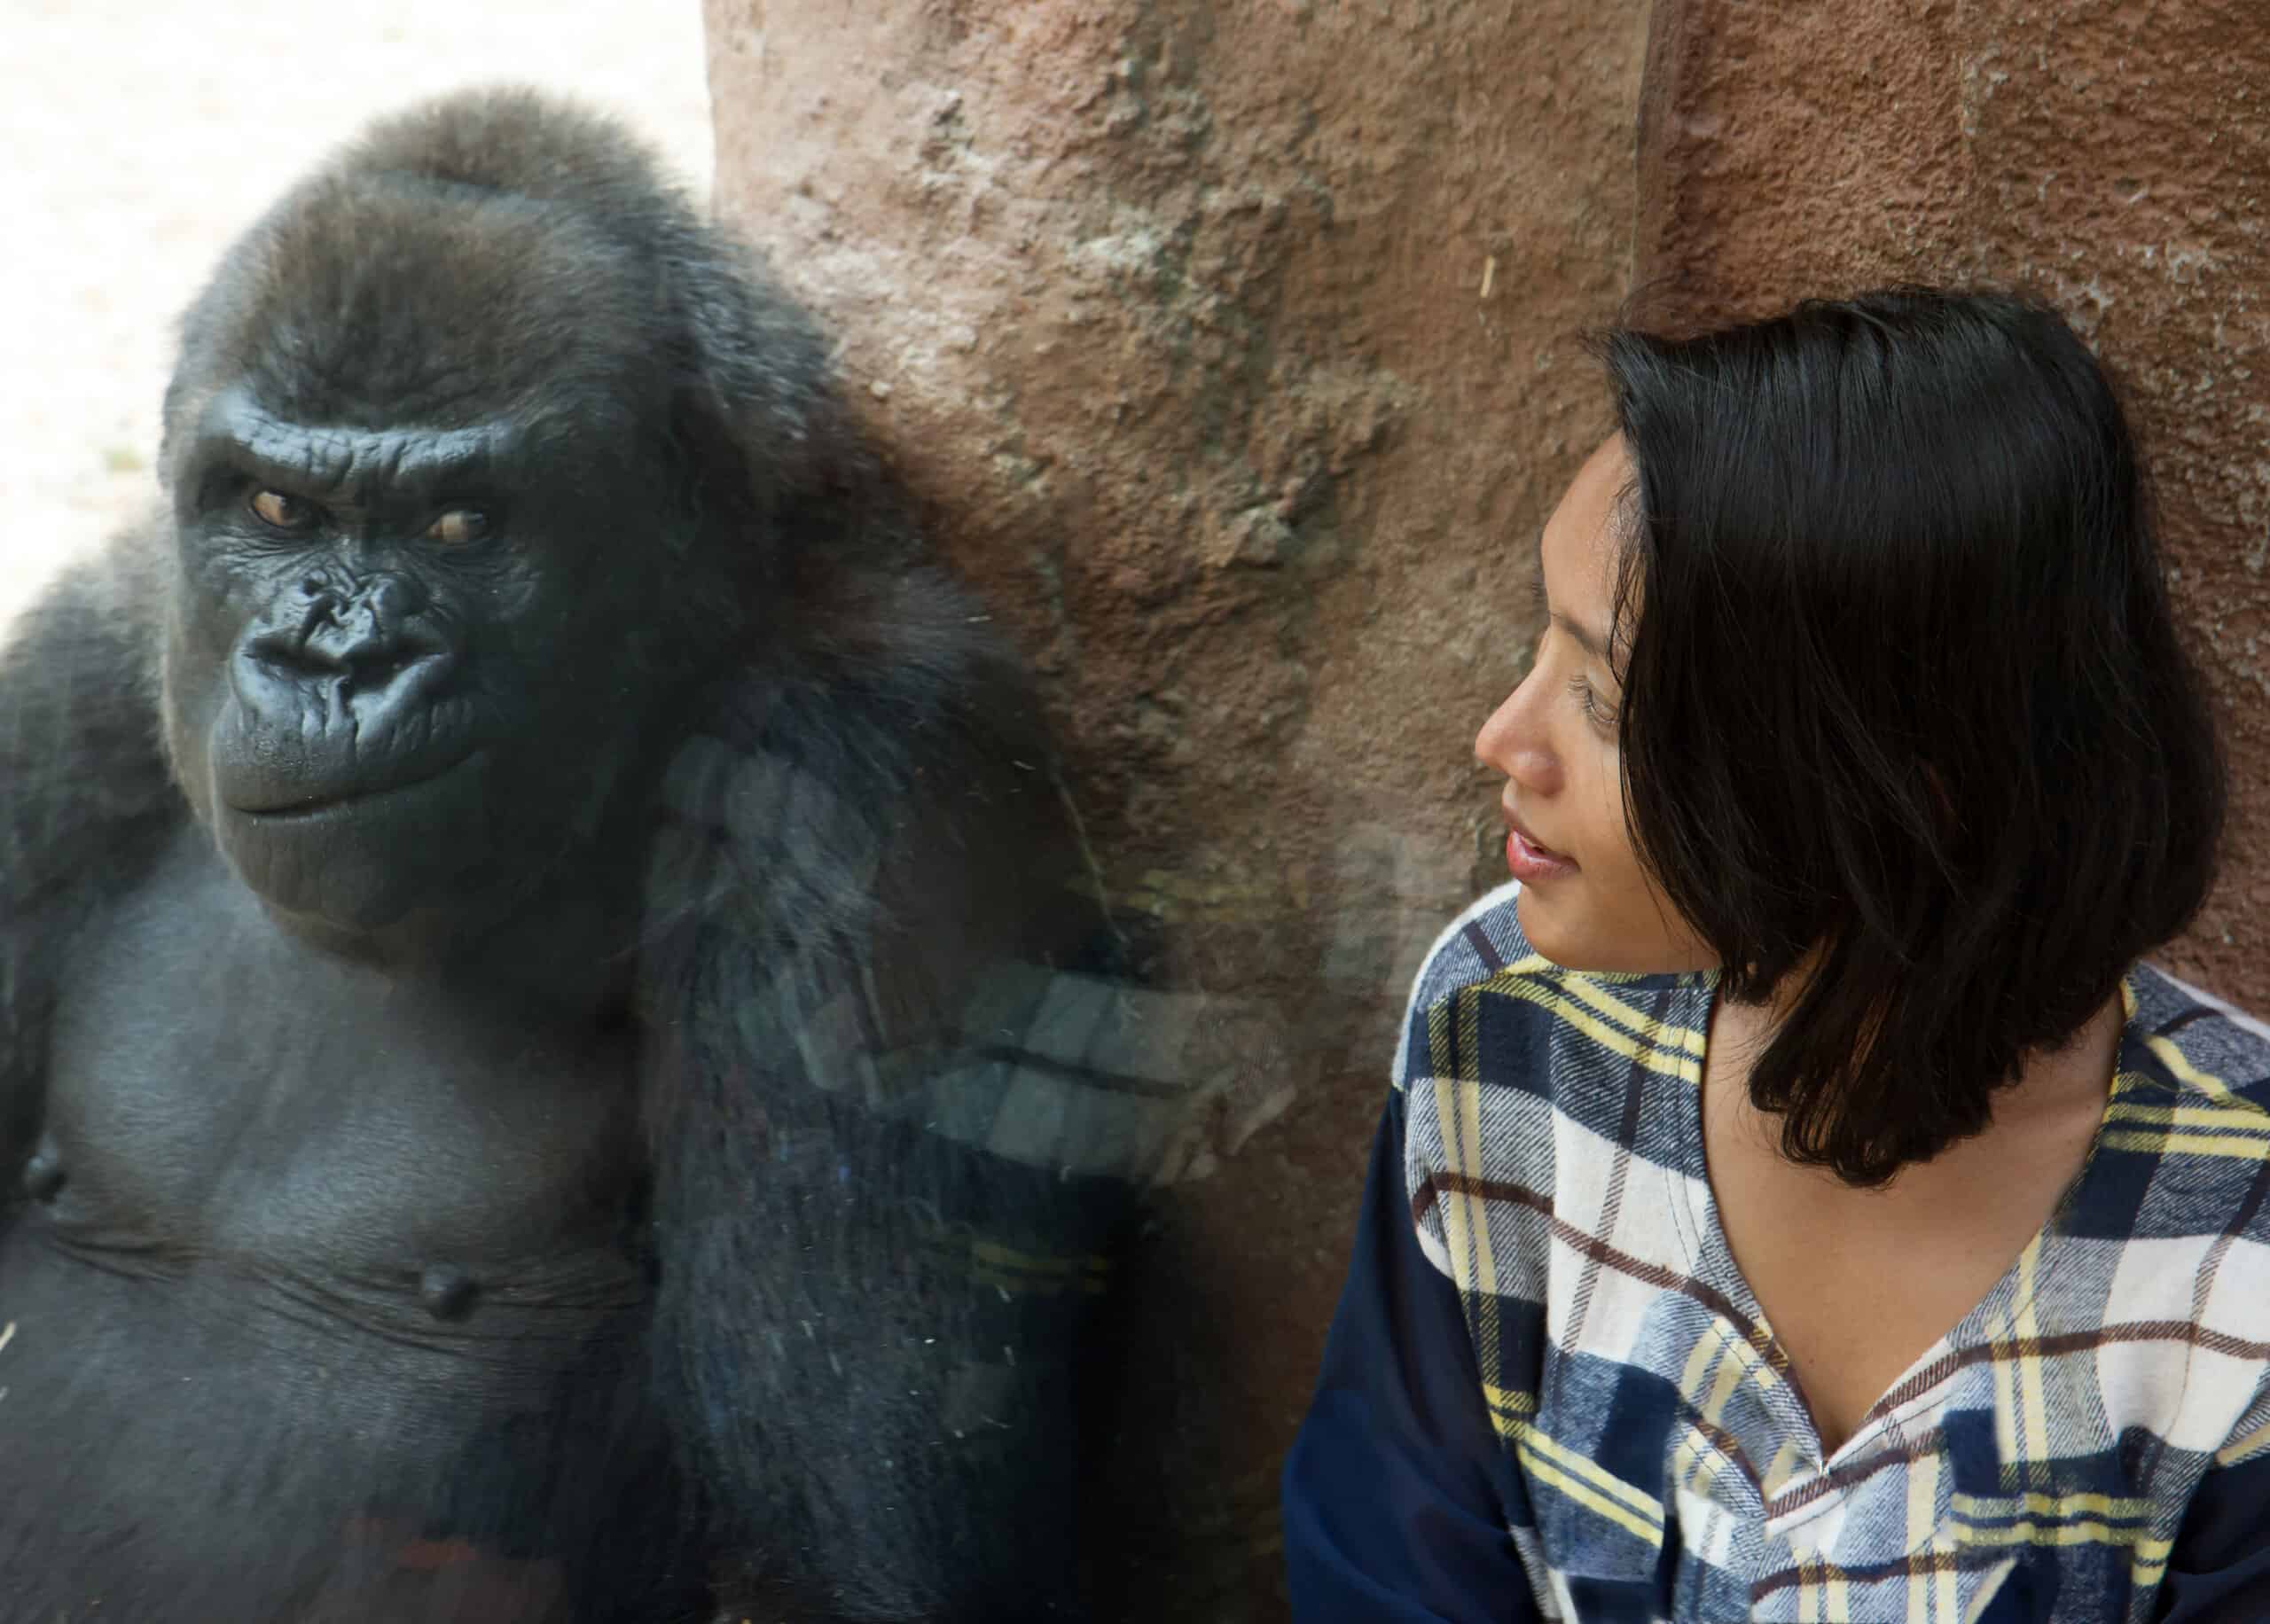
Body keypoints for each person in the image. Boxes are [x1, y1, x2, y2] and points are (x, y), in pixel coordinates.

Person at [1281, 288, 2270, 1622]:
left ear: (1888, 782)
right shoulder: (1509, 1030)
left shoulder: (2234, 1256)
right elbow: (1387, 1570)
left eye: (1604, 698)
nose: (1504, 741)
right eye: (1540, 646)